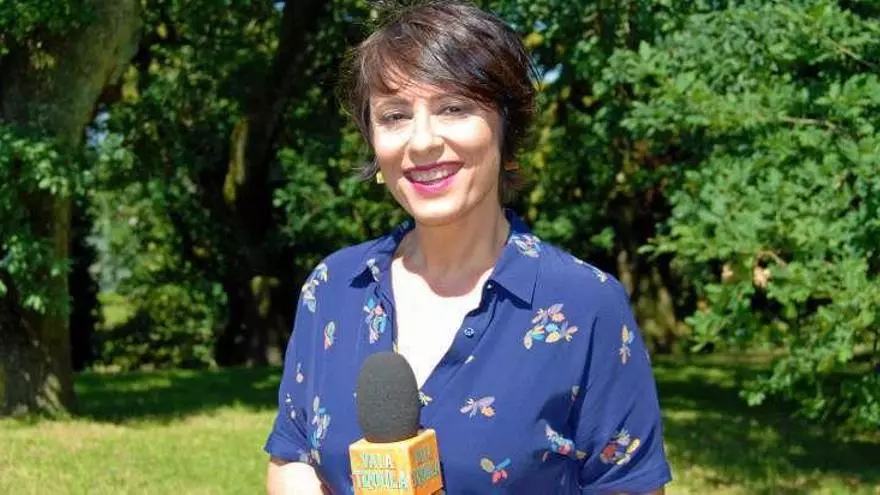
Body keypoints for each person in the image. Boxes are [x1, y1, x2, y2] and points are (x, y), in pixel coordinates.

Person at [264, 1, 672, 493]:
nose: (421, 142)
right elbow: (294, 453)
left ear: (505, 127)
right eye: (394, 116)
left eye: (453, 108)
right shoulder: (333, 288)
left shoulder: (586, 305)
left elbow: (628, 485)